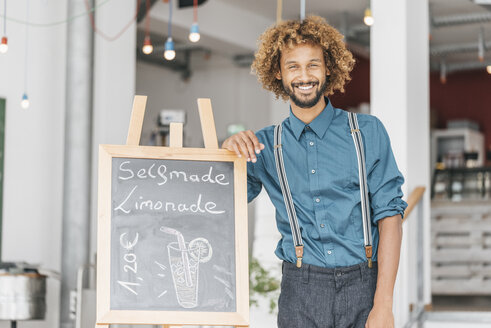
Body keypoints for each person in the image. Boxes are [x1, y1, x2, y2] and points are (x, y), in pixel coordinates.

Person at [222, 16, 407, 328]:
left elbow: (390, 216)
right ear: (278, 73)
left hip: (364, 287)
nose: (304, 75)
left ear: (328, 69)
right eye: (293, 66)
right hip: (300, 290)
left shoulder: (367, 132)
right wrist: (226, 152)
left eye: (313, 65)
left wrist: (384, 304)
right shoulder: (264, 146)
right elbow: (220, 201)